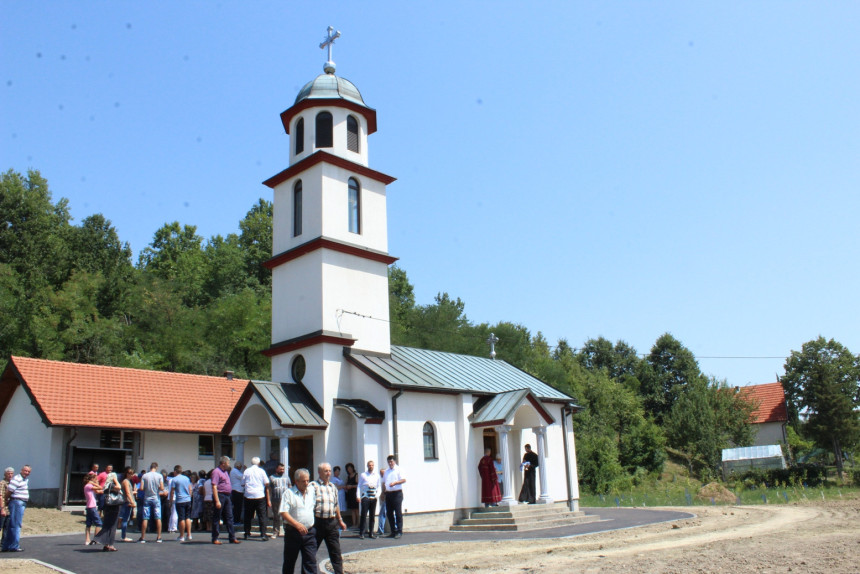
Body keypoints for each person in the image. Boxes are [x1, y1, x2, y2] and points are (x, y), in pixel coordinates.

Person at [279, 468, 317, 574]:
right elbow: (283, 512)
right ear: (296, 481)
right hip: (293, 533)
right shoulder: (289, 493)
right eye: (303, 481)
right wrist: (297, 524)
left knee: (310, 562)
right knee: (289, 562)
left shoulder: (311, 492)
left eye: (307, 480)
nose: (306, 483)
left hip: (309, 532)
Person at [314, 462, 347, 574]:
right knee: (311, 551)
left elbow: (336, 505)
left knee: (335, 552)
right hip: (317, 523)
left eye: (329, 471)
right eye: (325, 471)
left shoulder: (333, 487)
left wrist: (340, 520)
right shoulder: (313, 486)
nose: (328, 473)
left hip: (331, 523)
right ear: (319, 472)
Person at [210, 456, 241, 545]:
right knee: (217, 517)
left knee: (229, 517)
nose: (229, 464)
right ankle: (215, 537)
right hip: (220, 495)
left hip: (227, 496)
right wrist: (217, 500)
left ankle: (232, 537)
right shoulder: (216, 472)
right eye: (228, 463)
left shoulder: (226, 472)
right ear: (223, 463)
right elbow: (214, 486)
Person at [1, 464, 31, 552]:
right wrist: (6, 500)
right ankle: (14, 545)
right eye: (25, 471)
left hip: (20, 502)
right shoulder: (17, 479)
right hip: (17, 502)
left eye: (28, 471)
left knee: (12, 524)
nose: (27, 473)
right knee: (16, 525)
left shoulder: (24, 480)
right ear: (21, 470)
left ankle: (7, 545)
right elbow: (9, 491)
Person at [242, 456, 271, 540]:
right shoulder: (261, 471)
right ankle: (263, 534)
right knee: (262, 515)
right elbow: (266, 483)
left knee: (248, 515)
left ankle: (247, 533)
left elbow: (242, 483)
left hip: (248, 495)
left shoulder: (246, 471)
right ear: (258, 463)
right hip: (259, 495)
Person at [93, 468, 122, 551]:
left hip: (108, 507)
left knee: (108, 524)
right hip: (114, 506)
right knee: (112, 526)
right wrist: (115, 480)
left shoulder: (106, 486)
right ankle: (108, 543)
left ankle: (107, 544)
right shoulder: (111, 485)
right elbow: (119, 487)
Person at [138, 462, 165, 543]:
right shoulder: (159, 476)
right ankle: (159, 537)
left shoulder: (145, 475)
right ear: (156, 467)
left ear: (150, 467)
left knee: (145, 517)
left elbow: (141, 488)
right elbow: (162, 488)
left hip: (147, 498)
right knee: (158, 517)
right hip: (156, 498)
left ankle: (143, 537)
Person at [383, 455, 405, 539]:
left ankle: (399, 531)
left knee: (398, 512)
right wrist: (383, 492)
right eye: (389, 462)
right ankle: (393, 531)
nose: (390, 463)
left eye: (391, 461)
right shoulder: (386, 471)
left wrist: (395, 483)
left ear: (394, 461)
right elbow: (384, 482)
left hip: (397, 493)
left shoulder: (399, 469)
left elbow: (403, 480)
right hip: (388, 493)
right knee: (389, 513)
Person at [168, 465, 193, 542]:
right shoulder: (186, 478)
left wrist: (170, 501)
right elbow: (190, 489)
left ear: (175, 471)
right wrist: (190, 497)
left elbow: (172, 491)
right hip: (187, 499)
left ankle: (181, 535)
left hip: (180, 500)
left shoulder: (174, 480)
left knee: (181, 518)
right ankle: (189, 534)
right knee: (187, 517)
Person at [357, 460, 379, 539]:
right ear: (367, 466)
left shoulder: (376, 475)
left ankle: (371, 533)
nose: (371, 466)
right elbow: (359, 486)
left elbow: (378, 486)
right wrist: (358, 496)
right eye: (369, 465)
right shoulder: (363, 475)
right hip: (365, 496)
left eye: (372, 465)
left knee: (372, 515)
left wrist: (377, 495)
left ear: (374, 466)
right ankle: (362, 533)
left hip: (373, 496)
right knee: (363, 515)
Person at [268, 463, 291, 539]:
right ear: (276, 469)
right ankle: (275, 532)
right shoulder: (271, 477)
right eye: (281, 469)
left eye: (283, 469)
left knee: (286, 517)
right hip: (275, 500)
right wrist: (269, 500)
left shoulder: (286, 477)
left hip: (285, 500)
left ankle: (287, 532)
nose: (282, 470)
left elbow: (290, 487)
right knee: (276, 517)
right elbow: (268, 489)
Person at [83, 472, 103, 546]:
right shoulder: (88, 485)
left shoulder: (88, 486)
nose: (96, 480)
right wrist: (94, 483)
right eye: (95, 479)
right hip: (92, 507)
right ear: (91, 479)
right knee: (99, 523)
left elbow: (99, 491)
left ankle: (87, 540)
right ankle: (96, 539)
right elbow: (100, 487)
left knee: (89, 523)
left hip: (89, 507)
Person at [119, 467, 137, 542]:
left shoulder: (129, 481)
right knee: (125, 519)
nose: (132, 475)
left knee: (126, 519)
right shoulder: (126, 481)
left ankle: (124, 535)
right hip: (126, 502)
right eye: (130, 473)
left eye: (132, 473)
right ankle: (123, 536)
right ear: (126, 473)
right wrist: (132, 501)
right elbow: (127, 492)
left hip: (127, 502)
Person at [229, 461, 245, 526]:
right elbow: (243, 476)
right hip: (237, 490)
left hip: (236, 490)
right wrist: (246, 471)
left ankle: (236, 520)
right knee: (237, 507)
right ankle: (236, 520)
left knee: (237, 507)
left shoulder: (234, 471)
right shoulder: (235, 471)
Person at [344, 462, 359, 528]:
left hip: (355, 493)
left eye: (350, 468)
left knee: (356, 509)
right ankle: (354, 524)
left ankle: (358, 523)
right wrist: (347, 486)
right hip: (350, 494)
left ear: (353, 468)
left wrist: (352, 486)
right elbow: (345, 484)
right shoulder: (348, 477)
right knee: (352, 509)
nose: (349, 470)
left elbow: (358, 485)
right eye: (348, 469)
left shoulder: (356, 475)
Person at [0, 467, 13, 545]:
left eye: (11, 473)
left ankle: (3, 544)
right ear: (5, 474)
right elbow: (0, 496)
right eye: (8, 473)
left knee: (6, 527)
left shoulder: (12, 483)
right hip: (3, 507)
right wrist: (2, 509)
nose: (10, 475)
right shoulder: (2, 483)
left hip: (9, 508)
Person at [376, 468, 387, 536]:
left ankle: (381, 529)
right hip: (385, 499)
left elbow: (385, 489)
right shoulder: (381, 480)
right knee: (383, 513)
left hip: (387, 498)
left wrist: (383, 494)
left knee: (382, 514)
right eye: (381, 473)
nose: (382, 474)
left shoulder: (386, 480)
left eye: (383, 473)